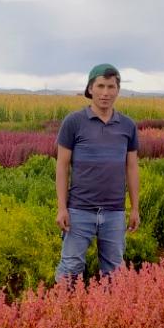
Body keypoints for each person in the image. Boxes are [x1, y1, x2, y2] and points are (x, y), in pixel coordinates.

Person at [54, 63, 140, 284]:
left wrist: (134, 208)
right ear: (90, 89)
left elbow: (131, 167)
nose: (105, 93)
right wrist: (62, 208)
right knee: (70, 268)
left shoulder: (128, 126)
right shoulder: (73, 122)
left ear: (118, 90)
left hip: (114, 212)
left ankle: (106, 317)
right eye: (100, 86)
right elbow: (62, 166)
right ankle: (64, 314)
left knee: (114, 272)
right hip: (79, 210)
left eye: (111, 87)